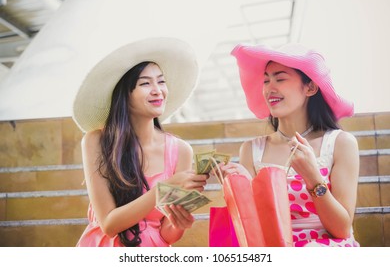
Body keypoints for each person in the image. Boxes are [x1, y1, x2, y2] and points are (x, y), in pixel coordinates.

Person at [72, 37, 208, 247]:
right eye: (145, 83)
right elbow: (109, 224)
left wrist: (179, 223)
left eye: (161, 81)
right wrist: (164, 188)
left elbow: (166, 233)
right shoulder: (96, 141)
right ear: (124, 95)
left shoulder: (181, 150)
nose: (157, 90)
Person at [220, 43, 360, 247]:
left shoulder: (340, 143)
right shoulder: (251, 150)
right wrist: (237, 188)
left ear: (310, 87)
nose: (269, 88)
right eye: (266, 80)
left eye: (280, 78)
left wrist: (312, 177)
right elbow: (251, 227)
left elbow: (341, 228)